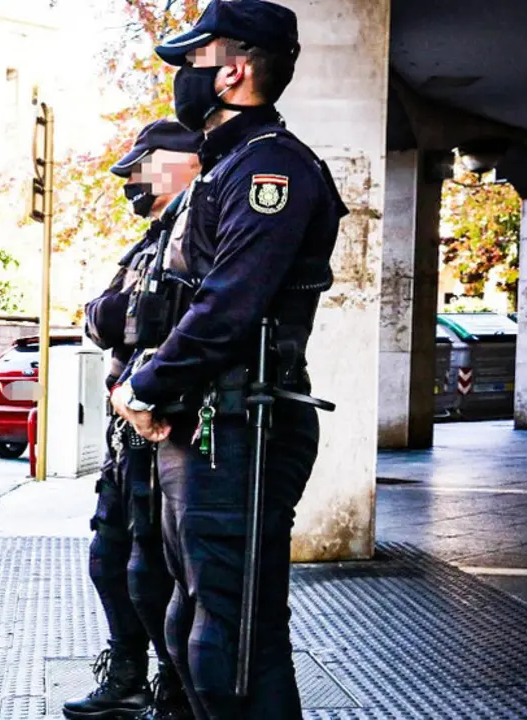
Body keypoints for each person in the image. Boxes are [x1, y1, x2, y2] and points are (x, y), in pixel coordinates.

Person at [109, 2, 348, 718]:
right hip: (208, 424)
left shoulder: (271, 169)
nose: (183, 74)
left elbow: (229, 304)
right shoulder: (230, 168)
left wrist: (148, 386)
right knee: (189, 626)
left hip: (243, 425)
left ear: (236, 70)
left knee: (234, 647)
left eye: (195, 60)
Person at [64, 120, 202, 720]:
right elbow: (100, 314)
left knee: (153, 570)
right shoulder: (151, 240)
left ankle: (172, 687)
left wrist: (127, 314)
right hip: (128, 435)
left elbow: (160, 315)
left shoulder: (200, 223)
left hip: (166, 427)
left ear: (177, 163)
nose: (133, 186)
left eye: (141, 171)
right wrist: (126, 314)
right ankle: (127, 673)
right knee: (108, 555)